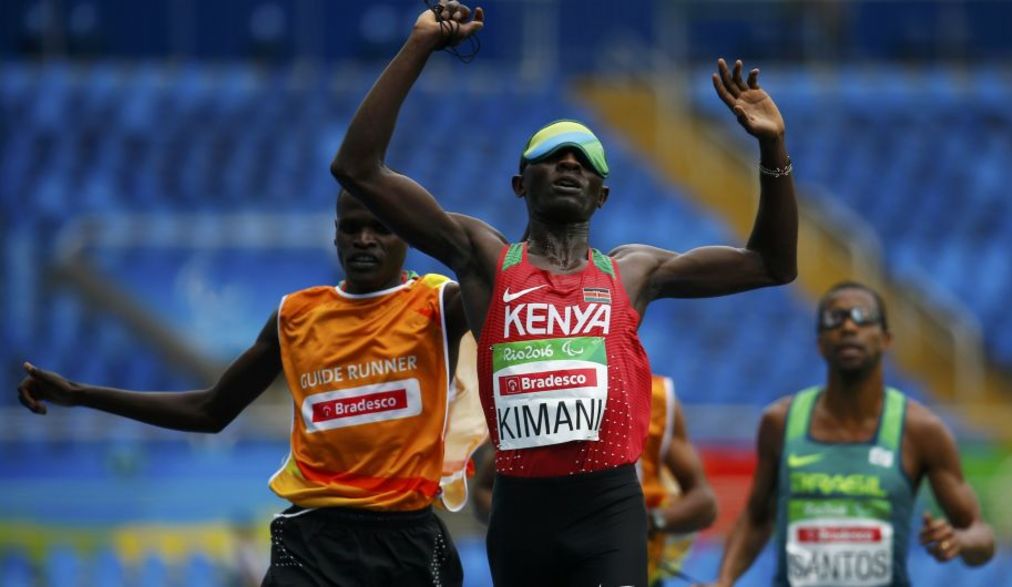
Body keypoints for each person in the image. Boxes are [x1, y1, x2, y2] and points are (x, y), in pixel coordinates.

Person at [330, 2, 797, 584]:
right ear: (520, 184)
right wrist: (419, 45)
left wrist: (773, 149)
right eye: (552, 158)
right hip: (521, 511)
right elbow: (358, 169)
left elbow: (772, 265)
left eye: (586, 160)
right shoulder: (484, 260)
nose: (570, 163)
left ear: (602, 195)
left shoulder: (633, 273)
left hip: (609, 509)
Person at [17, 190, 480, 587]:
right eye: (351, 227)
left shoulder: (439, 305)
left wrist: (432, 221)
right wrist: (80, 394)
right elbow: (209, 410)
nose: (364, 239)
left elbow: (493, 267)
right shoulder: (295, 317)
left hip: (407, 542)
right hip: (314, 541)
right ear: (335, 234)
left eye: (381, 228)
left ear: (407, 235)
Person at [700, 281, 996, 587]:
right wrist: (724, 580)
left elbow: (982, 538)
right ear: (820, 343)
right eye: (835, 319)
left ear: (886, 340)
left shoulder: (921, 429)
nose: (849, 327)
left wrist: (960, 540)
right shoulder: (781, 422)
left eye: (862, 317)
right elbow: (756, 517)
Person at [472, 373, 719, 586]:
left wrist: (651, 521)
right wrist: (526, 523)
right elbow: (483, 491)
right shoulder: (540, 393)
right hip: (547, 569)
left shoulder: (656, 398)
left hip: (636, 570)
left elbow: (705, 503)